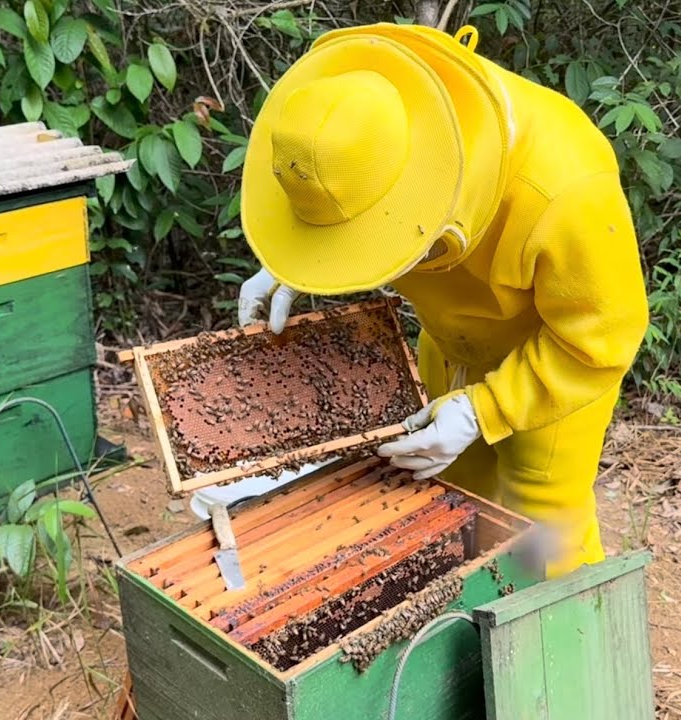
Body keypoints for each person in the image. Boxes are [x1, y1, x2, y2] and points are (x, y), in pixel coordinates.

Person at [234, 22, 649, 579]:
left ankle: (560, 657)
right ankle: (458, 640)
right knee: (448, 499)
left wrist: (487, 408)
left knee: (541, 531)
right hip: (448, 342)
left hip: (553, 360)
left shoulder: (566, 187)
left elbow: (602, 334)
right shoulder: (370, 104)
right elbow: (348, 196)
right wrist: (297, 261)